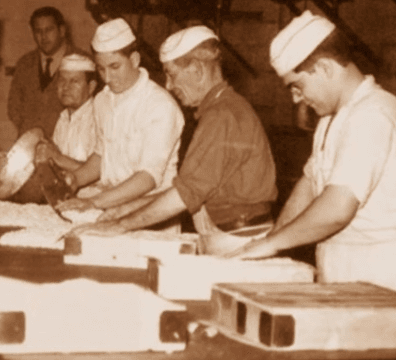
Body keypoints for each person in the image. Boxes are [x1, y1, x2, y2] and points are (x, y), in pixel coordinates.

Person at [227, 11, 396, 304]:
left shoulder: (375, 114)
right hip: (345, 269)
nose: (295, 98)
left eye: (297, 86)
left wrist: (272, 243)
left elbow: (338, 207)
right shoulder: (333, 118)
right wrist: (270, 243)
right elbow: (311, 182)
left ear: (325, 68)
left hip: (386, 279)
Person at [69, 26, 277, 240]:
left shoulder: (223, 116)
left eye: (172, 75)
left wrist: (119, 225)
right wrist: (124, 209)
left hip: (237, 235)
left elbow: (184, 195)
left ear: (197, 70)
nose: (168, 85)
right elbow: (188, 187)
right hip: (229, 232)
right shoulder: (221, 109)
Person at [56, 18, 185, 225]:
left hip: (151, 215)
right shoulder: (101, 100)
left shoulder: (160, 105)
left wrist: (93, 202)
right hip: (109, 207)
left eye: (115, 66)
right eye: (100, 69)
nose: (107, 78)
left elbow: (148, 178)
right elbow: (100, 155)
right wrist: (75, 179)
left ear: (134, 59)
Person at [7, 6, 86, 139]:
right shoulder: (24, 63)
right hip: (29, 145)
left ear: (62, 30)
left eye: (49, 30)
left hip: (67, 148)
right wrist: (30, 131)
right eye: (38, 31)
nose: (43, 37)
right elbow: (13, 106)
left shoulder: (83, 62)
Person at [35, 53, 99, 172]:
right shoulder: (63, 118)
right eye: (62, 80)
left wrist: (57, 157)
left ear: (91, 87)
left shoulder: (99, 117)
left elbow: (100, 174)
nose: (66, 87)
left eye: (74, 81)